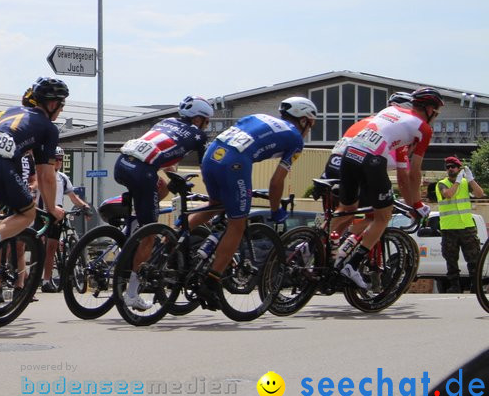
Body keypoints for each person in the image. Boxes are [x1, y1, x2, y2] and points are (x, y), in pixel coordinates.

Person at [197, 97, 316, 307]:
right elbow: (276, 182)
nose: (309, 129)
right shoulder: (296, 139)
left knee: (215, 205)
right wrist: (275, 209)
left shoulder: (259, 117)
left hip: (211, 156)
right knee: (237, 223)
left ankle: (170, 242)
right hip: (234, 163)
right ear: (304, 121)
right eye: (311, 123)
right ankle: (212, 281)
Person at [331, 86, 441, 289]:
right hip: (371, 160)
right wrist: (416, 204)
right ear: (430, 109)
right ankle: (352, 265)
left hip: (349, 155)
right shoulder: (424, 128)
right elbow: (413, 172)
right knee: (383, 215)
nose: (435, 116)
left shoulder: (389, 112)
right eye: (436, 112)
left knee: (348, 210)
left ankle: (316, 249)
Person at [0, 77, 68, 284]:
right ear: (53, 103)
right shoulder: (49, 128)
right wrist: (52, 208)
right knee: (27, 214)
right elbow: (46, 175)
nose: (61, 111)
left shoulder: (12, 111)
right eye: (62, 105)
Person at [112, 95, 213, 309]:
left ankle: (131, 233)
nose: (207, 126)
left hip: (121, 164)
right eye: (207, 121)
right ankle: (131, 293)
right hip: (143, 172)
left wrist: (172, 179)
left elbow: (167, 157)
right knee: (150, 233)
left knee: (160, 189)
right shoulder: (198, 135)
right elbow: (207, 170)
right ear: (198, 119)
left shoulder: (165, 121)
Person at [39, 146, 91, 293]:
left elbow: (74, 198)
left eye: (61, 159)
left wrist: (86, 207)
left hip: (58, 213)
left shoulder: (63, 177)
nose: (59, 162)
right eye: (56, 159)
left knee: (51, 248)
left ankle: (46, 280)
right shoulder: (41, 174)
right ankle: (32, 279)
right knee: (40, 247)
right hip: (43, 213)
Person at [436, 155, 484, 293]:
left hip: (466, 227)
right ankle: (455, 286)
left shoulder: (464, 182)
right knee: (451, 260)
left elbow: (480, 194)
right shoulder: (442, 183)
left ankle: (476, 286)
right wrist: (457, 182)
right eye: (448, 167)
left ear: (459, 168)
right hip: (449, 228)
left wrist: (471, 180)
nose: (450, 169)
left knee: (474, 259)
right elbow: (448, 194)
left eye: (453, 167)